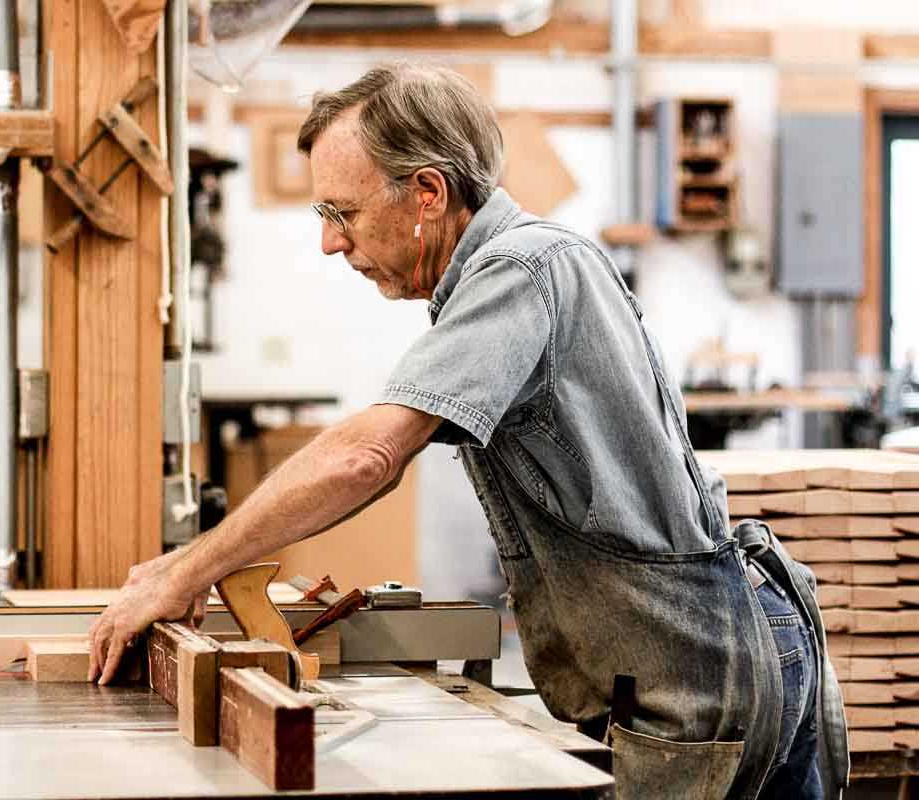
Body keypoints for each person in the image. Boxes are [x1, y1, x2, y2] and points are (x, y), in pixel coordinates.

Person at [87, 63, 848, 799]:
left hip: (695, 670)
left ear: (426, 192)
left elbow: (367, 457)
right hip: (725, 646)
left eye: (340, 214)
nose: (330, 243)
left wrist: (178, 572)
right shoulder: (511, 272)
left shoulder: (522, 269)